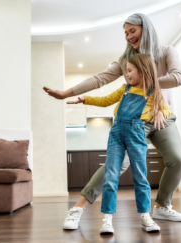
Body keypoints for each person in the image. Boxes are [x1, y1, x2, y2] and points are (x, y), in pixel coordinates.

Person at [44, 13, 181, 230]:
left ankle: (162, 206)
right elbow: (100, 79)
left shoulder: (166, 51)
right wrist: (67, 93)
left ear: (145, 29)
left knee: (177, 159)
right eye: (126, 33)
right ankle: (78, 208)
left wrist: (147, 84)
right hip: (131, 123)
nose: (129, 36)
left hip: (160, 116)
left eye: (133, 31)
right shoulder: (125, 60)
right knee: (116, 167)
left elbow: (178, 77)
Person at [69, 53, 170, 233]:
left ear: (144, 71)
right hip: (116, 133)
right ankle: (107, 219)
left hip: (136, 134)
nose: (127, 74)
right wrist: (86, 99)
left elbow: (167, 111)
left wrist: (161, 113)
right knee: (111, 176)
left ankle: (145, 217)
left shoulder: (154, 93)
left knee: (140, 176)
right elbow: (105, 100)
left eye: (130, 71)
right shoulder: (124, 89)